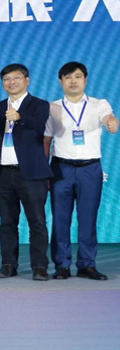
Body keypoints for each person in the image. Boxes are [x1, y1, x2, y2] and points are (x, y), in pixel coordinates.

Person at [43, 61, 119, 280]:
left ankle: (87, 264)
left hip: (90, 169)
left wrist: (112, 122)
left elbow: (108, 118)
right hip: (61, 168)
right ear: (61, 82)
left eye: (77, 76)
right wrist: (44, 172)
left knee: (88, 218)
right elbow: (46, 140)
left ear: (85, 80)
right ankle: (62, 265)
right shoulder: (52, 107)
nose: (73, 81)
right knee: (60, 219)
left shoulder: (99, 104)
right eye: (68, 77)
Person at [0, 63, 52, 280]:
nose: (11, 82)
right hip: (3, 174)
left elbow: (39, 125)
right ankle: (8, 264)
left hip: (31, 173)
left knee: (37, 222)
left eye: (16, 78)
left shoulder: (39, 105)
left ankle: (40, 266)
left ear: (27, 80)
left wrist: (20, 117)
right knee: (6, 223)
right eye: (6, 79)